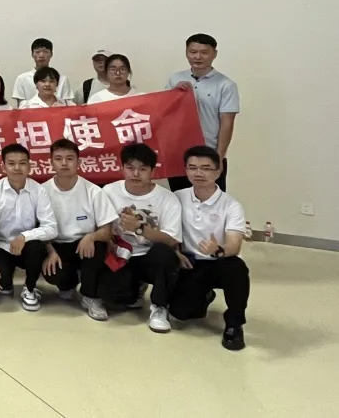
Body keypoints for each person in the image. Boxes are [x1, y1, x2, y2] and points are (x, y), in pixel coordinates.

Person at [169, 146, 250, 350]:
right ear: (186, 170)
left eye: (206, 168)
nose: (199, 173)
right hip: (191, 263)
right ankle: (205, 296)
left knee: (237, 268)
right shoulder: (176, 197)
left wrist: (217, 250)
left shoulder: (231, 205)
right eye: (192, 167)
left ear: (218, 171)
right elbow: (169, 232)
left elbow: (234, 245)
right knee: (181, 313)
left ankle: (234, 325)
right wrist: (176, 252)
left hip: (219, 261)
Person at [99, 143, 183, 334]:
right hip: (121, 256)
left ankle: (159, 307)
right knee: (111, 297)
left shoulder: (167, 198)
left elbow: (171, 240)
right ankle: (135, 288)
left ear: (152, 171)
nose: (136, 174)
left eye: (143, 169)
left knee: (164, 253)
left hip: (149, 256)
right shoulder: (109, 192)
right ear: (122, 168)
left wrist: (139, 228)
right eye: (130, 168)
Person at [41, 139, 118, 321]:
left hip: (84, 245)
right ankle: (68, 283)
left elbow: (107, 230)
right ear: (51, 162)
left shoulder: (93, 191)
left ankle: (90, 297)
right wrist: (50, 251)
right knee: (55, 274)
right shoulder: (41, 191)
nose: (64, 163)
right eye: (58, 159)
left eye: (69, 158)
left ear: (78, 162)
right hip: (57, 245)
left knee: (98, 244)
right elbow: (38, 229)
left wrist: (91, 236)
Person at [0, 144, 57, 311]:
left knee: (36, 246)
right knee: (1, 285)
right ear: (3, 166)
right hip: (2, 245)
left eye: (22, 163)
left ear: (29, 166)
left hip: (27, 246)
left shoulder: (39, 191)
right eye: (11, 163)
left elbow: (52, 228)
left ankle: (30, 289)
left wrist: (24, 236)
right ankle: (7, 279)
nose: (17, 168)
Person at [164, 33, 240, 192]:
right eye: (193, 52)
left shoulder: (226, 85)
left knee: (211, 199)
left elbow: (227, 123)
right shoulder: (175, 79)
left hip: (209, 152)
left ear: (214, 54)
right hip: (179, 153)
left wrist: (219, 156)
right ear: (186, 53)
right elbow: (165, 114)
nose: (198, 57)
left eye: (204, 52)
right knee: (179, 198)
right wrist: (175, 94)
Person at [11, 38, 73, 106]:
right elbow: (21, 107)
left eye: (46, 52)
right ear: (32, 54)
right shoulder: (22, 79)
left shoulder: (63, 79)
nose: (41, 55)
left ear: (51, 54)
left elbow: (68, 107)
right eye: (37, 52)